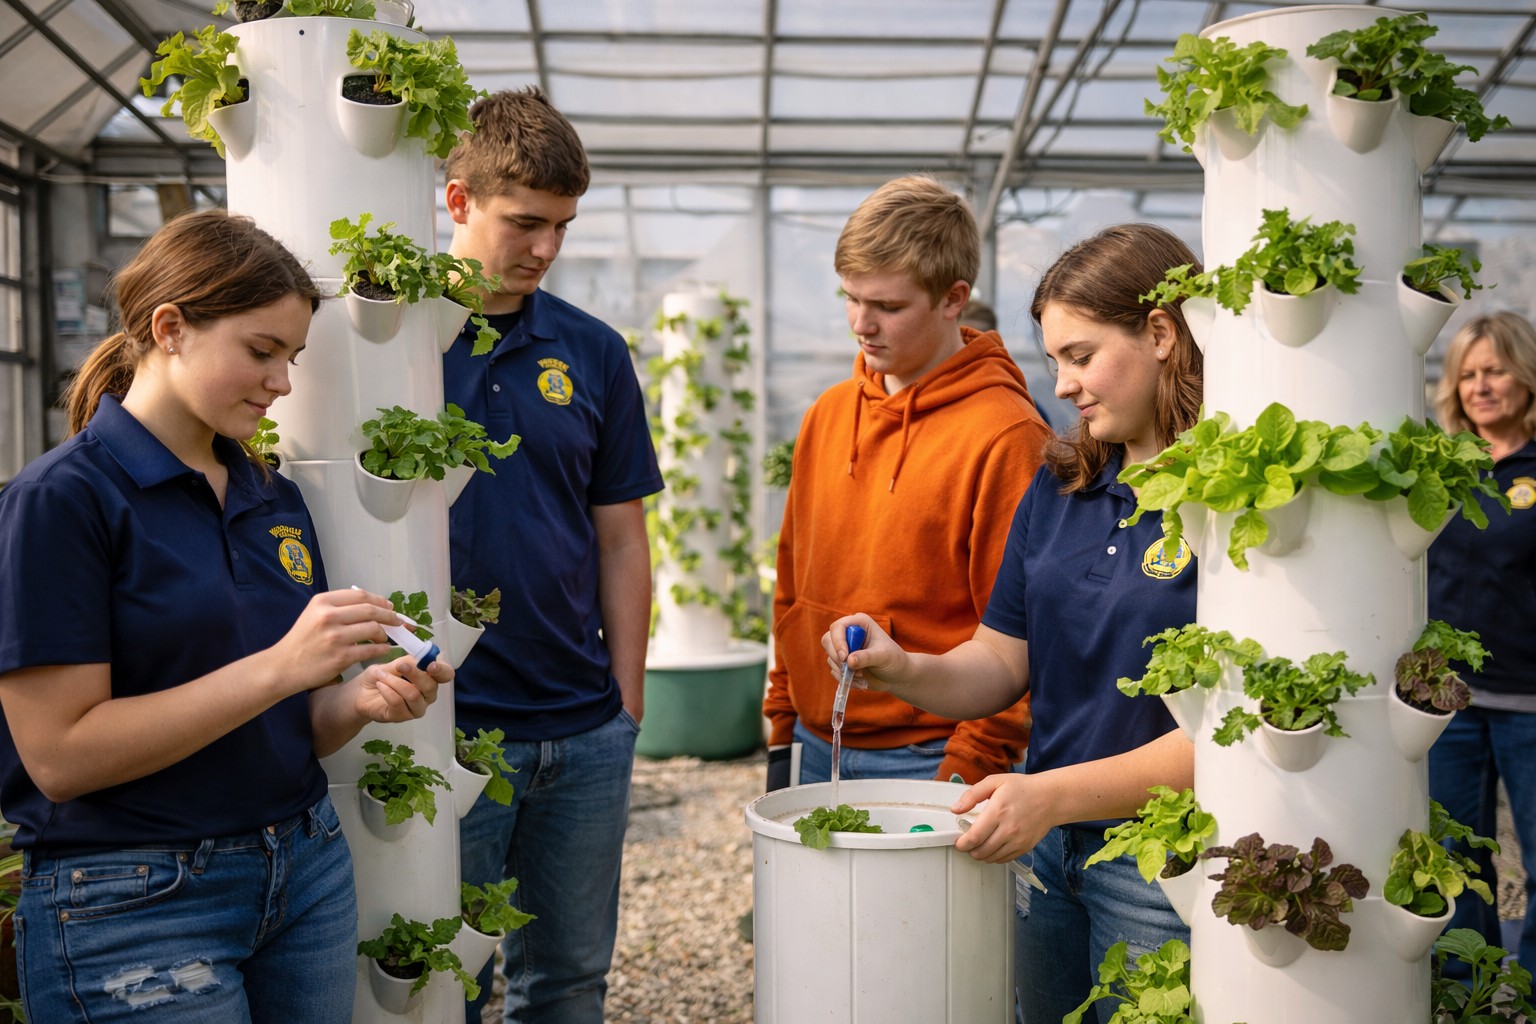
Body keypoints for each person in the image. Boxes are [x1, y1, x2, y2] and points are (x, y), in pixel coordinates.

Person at [0, 209, 449, 1023]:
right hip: (135, 900)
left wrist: (354, 699)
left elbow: (277, 724)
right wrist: (281, 665)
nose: (283, 381)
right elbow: (59, 757)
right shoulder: (61, 501)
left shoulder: (270, 496)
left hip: (303, 869)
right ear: (169, 328)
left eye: (293, 357)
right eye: (261, 350)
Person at [824, 223, 1203, 1024]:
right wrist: (903, 666)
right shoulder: (1063, 487)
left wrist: (1048, 796)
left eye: (1081, 354)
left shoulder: (1231, 500)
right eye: (1055, 359)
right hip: (1049, 846)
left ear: (1162, 334)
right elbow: (1000, 661)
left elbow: (1228, 735)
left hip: (1161, 861)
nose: (1061, 385)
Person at [441, 87, 662, 1024]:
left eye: (562, 227)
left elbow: (620, 534)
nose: (545, 249)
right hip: (442, 727)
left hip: (580, 726)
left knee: (569, 980)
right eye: (523, 222)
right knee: (444, 982)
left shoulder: (593, 350)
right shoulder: (386, 339)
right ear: (457, 202)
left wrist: (626, 702)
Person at [763, 175, 1051, 792]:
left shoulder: (1006, 434)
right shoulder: (828, 413)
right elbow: (794, 577)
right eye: (850, 298)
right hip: (818, 741)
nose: (861, 325)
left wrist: (969, 763)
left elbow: (1025, 634)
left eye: (888, 307)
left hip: (933, 753)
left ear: (953, 298)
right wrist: (783, 715)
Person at [1428, 310, 1536, 970]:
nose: (1481, 386)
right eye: (1467, 374)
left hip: (1531, 698)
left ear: (1525, 375)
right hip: (1449, 702)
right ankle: (1469, 993)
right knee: (1456, 862)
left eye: (1495, 370)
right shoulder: (1439, 468)